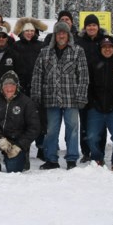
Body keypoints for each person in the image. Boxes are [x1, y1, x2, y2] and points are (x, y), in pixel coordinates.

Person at [31, 21, 90, 170]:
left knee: (72, 129)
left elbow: (83, 76)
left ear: (68, 34)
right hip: (51, 98)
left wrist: (82, 96)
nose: (61, 35)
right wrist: (36, 94)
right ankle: (51, 158)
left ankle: (71, 159)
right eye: (58, 33)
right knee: (51, 130)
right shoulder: (45, 52)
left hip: (71, 98)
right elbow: (38, 74)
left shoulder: (78, 51)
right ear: (54, 36)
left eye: (64, 32)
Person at [0, 70, 41, 173]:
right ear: (1, 86)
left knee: (13, 170)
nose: (9, 88)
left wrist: (20, 145)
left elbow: (34, 128)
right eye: (6, 85)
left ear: (17, 86)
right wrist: (0, 137)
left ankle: (23, 156)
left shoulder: (26, 102)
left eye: (12, 85)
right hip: (0, 138)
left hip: (16, 141)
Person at [86, 36, 113, 172]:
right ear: (100, 49)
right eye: (104, 47)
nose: (107, 49)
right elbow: (88, 85)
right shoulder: (93, 63)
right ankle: (97, 157)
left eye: (110, 47)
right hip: (96, 108)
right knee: (92, 136)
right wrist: (92, 103)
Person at [13, 16, 48, 160]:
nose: (29, 33)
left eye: (31, 31)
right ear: (22, 32)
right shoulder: (15, 46)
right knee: (21, 118)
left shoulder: (41, 47)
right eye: (26, 30)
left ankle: (41, 147)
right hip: (21, 88)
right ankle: (23, 146)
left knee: (40, 119)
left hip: (38, 87)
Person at [76, 14, 108, 163]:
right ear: (85, 27)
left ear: (98, 26)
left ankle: (99, 150)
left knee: (100, 119)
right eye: (88, 25)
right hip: (83, 85)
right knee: (84, 120)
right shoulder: (79, 41)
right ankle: (86, 151)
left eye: (94, 25)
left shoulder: (105, 41)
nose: (91, 28)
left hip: (101, 86)